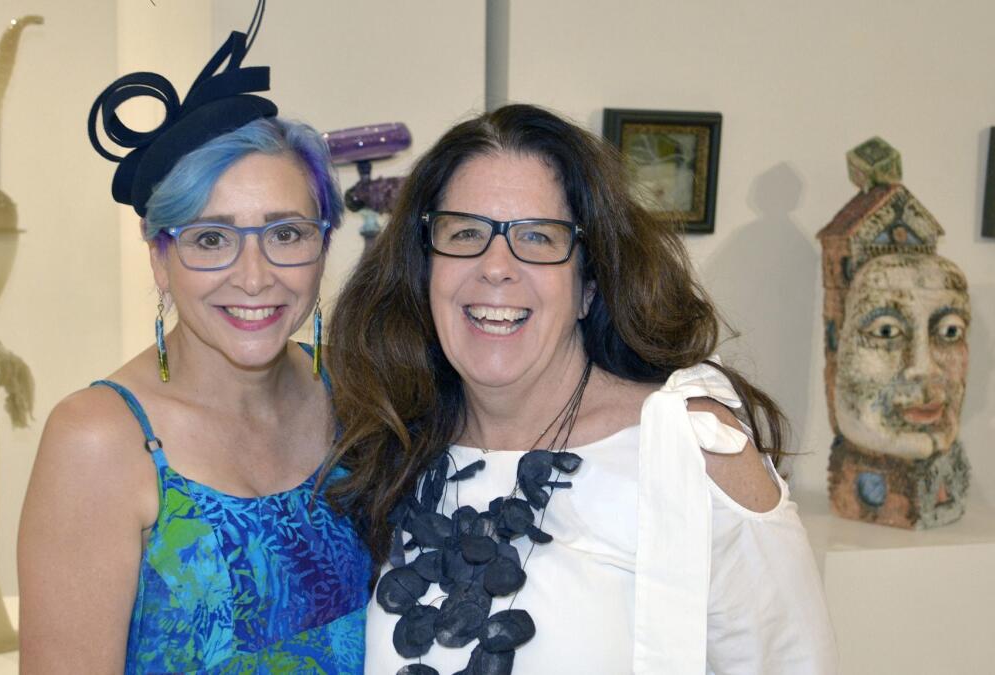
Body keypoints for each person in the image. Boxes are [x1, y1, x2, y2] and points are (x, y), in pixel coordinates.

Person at [324, 104, 838, 674]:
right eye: (465, 232)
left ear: (589, 286)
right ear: (425, 271)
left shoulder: (689, 450)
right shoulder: (393, 444)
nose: (496, 267)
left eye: (538, 238)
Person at [17, 26, 370, 675]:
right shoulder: (99, 439)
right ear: (160, 257)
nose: (256, 275)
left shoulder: (355, 397)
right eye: (211, 239)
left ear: (322, 245)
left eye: (286, 233)